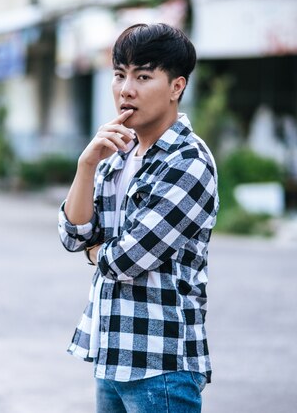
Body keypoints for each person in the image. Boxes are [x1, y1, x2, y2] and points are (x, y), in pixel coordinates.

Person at [57, 23, 219, 413]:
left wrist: (97, 253)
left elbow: (128, 258)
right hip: (112, 353)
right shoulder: (117, 153)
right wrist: (86, 164)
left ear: (177, 86)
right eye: (119, 75)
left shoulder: (189, 162)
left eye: (143, 76)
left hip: (160, 365)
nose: (126, 89)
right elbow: (73, 234)